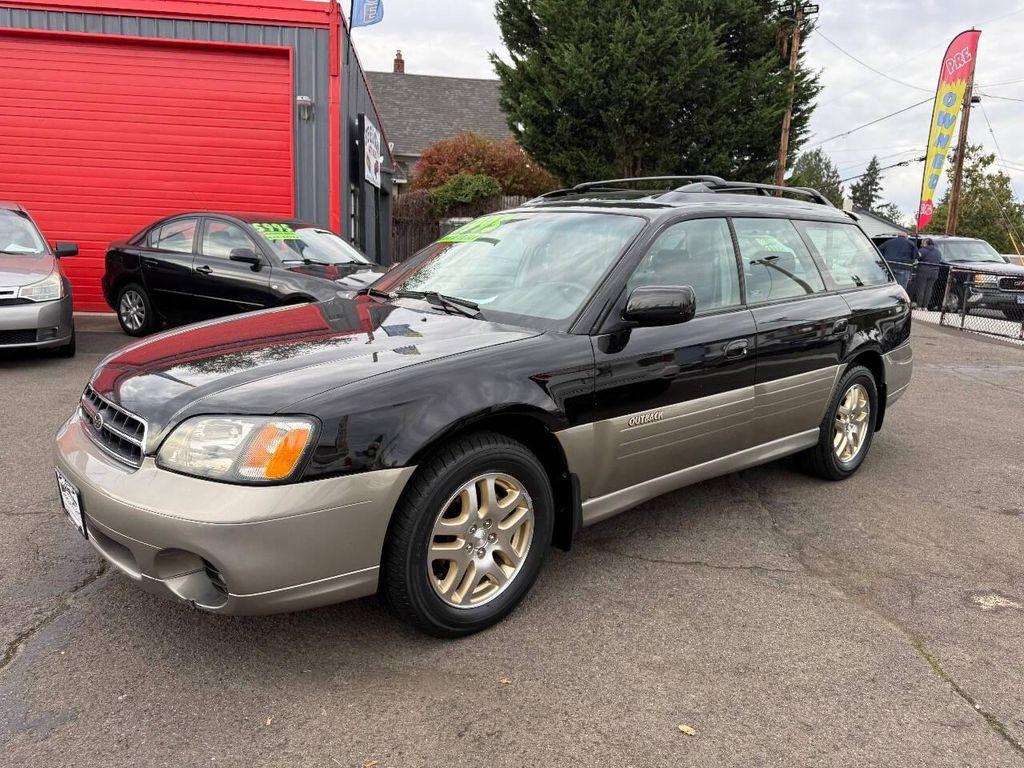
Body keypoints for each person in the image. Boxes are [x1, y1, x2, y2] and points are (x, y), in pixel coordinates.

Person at [915, 237, 943, 309]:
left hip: (923, 272)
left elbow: (916, 257)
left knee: (921, 289)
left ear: (926, 243)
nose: (921, 245)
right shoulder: (938, 251)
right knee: (929, 290)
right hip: (935, 272)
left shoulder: (923, 250)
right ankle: (925, 307)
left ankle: (919, 306)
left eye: (922, 243)